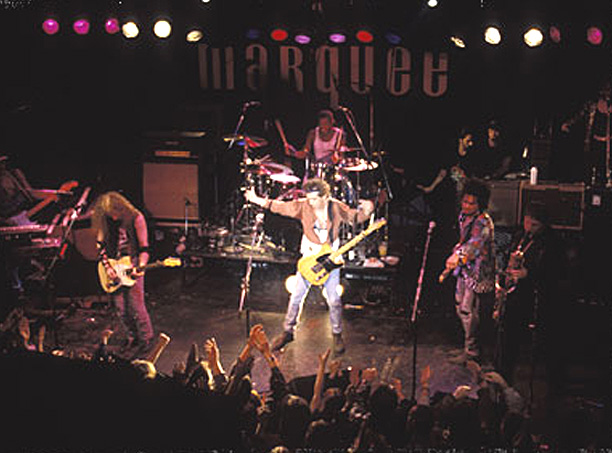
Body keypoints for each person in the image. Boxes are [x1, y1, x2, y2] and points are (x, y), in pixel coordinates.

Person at [244, 178, 374, 354]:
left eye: (313, 199)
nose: (310, 202)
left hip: (330, 260)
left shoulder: (335, 207)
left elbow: (354, 217)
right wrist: (256, 199)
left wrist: (368, 210)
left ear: (324, 197)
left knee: (334, 300)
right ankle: (288, 331)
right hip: (309, 257)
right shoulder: (303, 206)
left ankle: (337, 334)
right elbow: (280, 207)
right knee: (296, 296)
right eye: (308, 198)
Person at [495, 203, 563, 386]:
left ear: (543, 225)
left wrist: (529, 274)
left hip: (538, 298)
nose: (529, 228)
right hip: (516, 296)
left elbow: (555, 274)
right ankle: (503, 376)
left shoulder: (552, 243)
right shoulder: (520, 236)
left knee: (545, 342)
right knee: (508, 337)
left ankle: (553, 382)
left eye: (535, 225)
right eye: (527, 223)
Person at [92, 191, 154, 357]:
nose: (112, 217)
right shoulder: (105, 220)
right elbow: (100, 245)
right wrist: (108, 267)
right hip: (113, 265)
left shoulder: (136, 218)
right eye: (109, 214)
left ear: (121, 208)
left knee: (136, 305)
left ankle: (147, 339)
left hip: (132, 262)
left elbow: (144, 248)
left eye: (114, 213)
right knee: (120, 308)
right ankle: (132, 337)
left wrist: (140, 267)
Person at [442, 179, 496, 366]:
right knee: (461, 309)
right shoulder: (464, 217)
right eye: (465, 201)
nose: (466, 205)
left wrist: (458, 255)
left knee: (470, 312)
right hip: (465, 271)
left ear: (480, 203)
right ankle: (468, 347)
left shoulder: (484, 223)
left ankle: (472, 352)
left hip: (478, 274)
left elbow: (473, 246)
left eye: (471, 203)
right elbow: (464, 241)